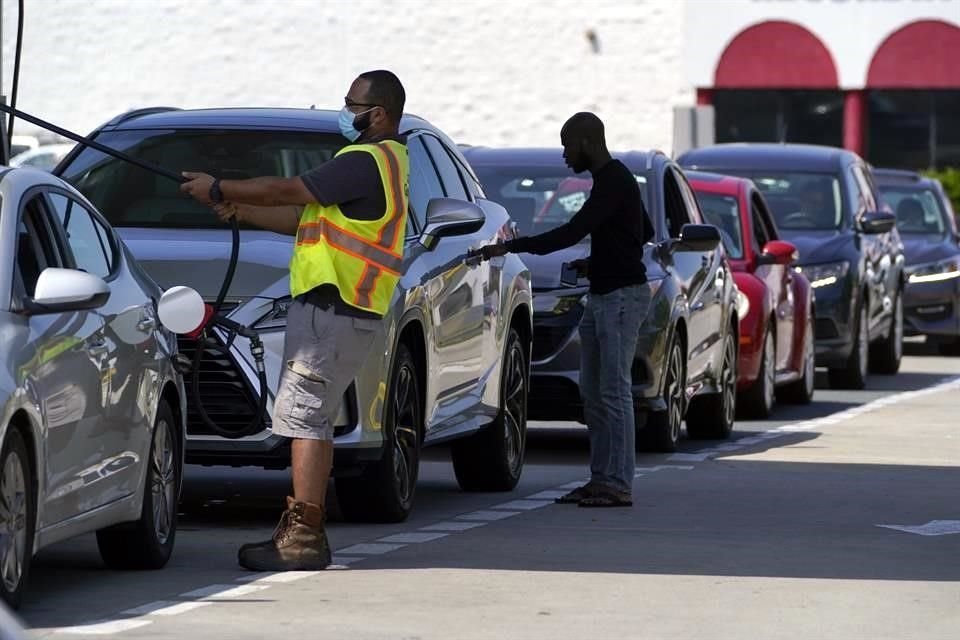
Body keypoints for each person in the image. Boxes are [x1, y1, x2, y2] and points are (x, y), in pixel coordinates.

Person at [180, 70, 409, 570]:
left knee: (305, 418)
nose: (345, 112)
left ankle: (302, 537)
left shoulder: (365, 160)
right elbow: (304, 218)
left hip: (335, 307)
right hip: (342, 308)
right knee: (313, 419)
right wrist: (238, 209)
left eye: (353, 105)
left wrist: (219, 185)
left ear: (380, 113)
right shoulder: (388, 161)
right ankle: (305, 533)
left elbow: (286, 189)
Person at [481, 112, 653, 507]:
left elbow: (572, 232)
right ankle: (601, 480)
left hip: (622, 298)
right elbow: (643, 231)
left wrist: (510, 247)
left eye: (567, 144)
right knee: (593, 393)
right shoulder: (612, 182)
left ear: (588, 142)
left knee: (613, 392)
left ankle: (618, 485)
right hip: (604, 292)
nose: (564, 154)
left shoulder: (614, 180)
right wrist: (599, 262)